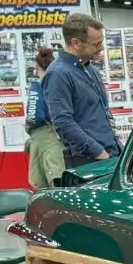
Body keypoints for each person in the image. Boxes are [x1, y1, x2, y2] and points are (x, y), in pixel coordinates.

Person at [43, 12, 120, 170]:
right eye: (97, 44)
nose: (101, 48)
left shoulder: (91, 70)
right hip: (90, 162)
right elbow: (63, 122)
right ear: (76, 43)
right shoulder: (58, 74)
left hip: (111, 155)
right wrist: (100, 153)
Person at [24, 47, 65, 188]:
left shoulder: (38, 86)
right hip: (62, 136)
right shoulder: (60, 84)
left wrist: (28, 125)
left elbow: (34, 116)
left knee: (46, 178)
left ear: (38, 68)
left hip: (45, 138)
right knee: (58, 175)